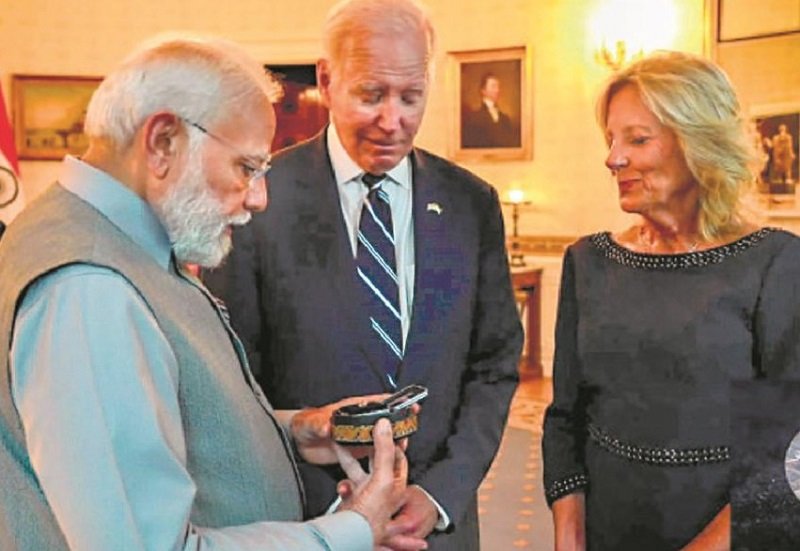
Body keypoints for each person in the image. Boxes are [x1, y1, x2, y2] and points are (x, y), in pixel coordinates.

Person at [0, 36, 425, 551]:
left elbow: (153, 427)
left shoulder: (116, 237)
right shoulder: (88, 290)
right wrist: (351, 530)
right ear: (163, 142)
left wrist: (294, 431)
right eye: (247, 168)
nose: (259, 198)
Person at [203, 1, 523, 549]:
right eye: (372, 95)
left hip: (436, 530)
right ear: (327, 81)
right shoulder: (259, 199)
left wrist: (439, 494)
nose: (392, 121)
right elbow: (232, 385)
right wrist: (343, 512)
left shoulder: (471, 203)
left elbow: (493, 367)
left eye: (410, 97)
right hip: (306, 523)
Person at [542, 50, 800, 550]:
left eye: (637, 139)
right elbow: (565, 420)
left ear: (699, 142)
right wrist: (569, 539)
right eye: (611, 139)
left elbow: (790, 449)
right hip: (610, 530)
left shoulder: (775, 263)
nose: (613, 158)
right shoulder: (587, 262)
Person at [461, 72, 520, 148]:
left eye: (498, 87)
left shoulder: (505, 119)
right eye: (493, 86)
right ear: (483, 91)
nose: (497, 90)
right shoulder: (474, 118)